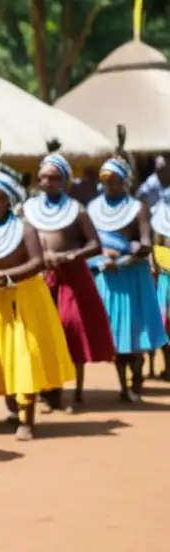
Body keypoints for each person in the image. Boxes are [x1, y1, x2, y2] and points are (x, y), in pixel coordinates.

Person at [0, 154, 75, 441]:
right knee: (2, 358)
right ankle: (14, 411)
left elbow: (38, 262)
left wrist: (10, 275)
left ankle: (27, 419)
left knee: (24, 356)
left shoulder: (24, 229)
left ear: (8, 202)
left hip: (26, 299)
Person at [22, 145, 114, 412]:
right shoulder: (28, 209)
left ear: (64, 180)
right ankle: (49, 392)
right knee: (43, 333)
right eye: (43, 178)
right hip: (39, 278)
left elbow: (94, 245)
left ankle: (76, 393)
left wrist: (70, 255)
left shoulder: (77, 210)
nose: (47, 182)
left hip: (72, 279)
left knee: (71, 331)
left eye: (53, 178)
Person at [86, 127, 168, 402]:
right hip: (107, 278)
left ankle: (136, 381)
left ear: (125, 182)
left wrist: (122, 259)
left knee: (136, 336)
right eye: (105, 180)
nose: (109, 185)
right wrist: (99, 261)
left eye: (114, 181)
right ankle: (123, 385)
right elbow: (86, 245)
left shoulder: (137, 208)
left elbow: (145, 244)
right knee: (116, 338)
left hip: (133, 277)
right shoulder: (93, 209)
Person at [150, 191, 170, 380]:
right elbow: (153, 259)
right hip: (164, 284)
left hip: (164, 283)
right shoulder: (160, 232)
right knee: (165, 328)